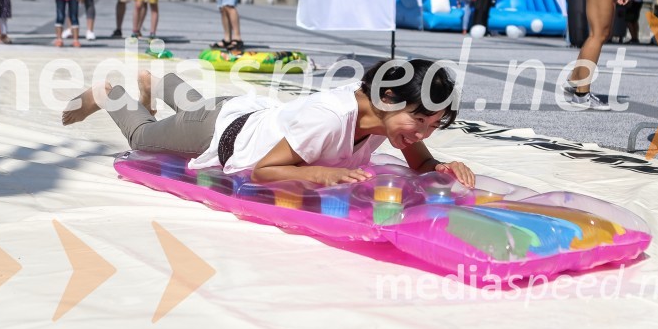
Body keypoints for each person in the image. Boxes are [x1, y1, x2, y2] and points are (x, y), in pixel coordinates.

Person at [61, 59, 476, 188]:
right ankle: (108, 93)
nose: (421, 134)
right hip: (217, 134)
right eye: (419, 120)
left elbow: (419, 158)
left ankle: (160, 82)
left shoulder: (391, 118)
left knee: (200, 107)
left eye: (432, 126)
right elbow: (263, 171)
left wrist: (439, 166)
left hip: (239, 112)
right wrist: (318, 173)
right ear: (388, 98)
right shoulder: (332, 118)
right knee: (143, 137)